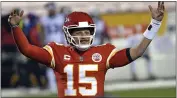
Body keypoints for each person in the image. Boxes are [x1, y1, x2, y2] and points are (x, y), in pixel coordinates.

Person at [8, 2, 164, 97]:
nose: (83, 36)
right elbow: (27, 49)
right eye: (78, 32)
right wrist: (15, 27)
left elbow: (137, 51)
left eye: (86, 32)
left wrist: (155, 24)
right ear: (68, 34)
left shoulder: (104, 52)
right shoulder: (57, 52)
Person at [40, 2, 66, 92]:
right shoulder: (45, 19)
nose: (50, 11)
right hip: (50, 45)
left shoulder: (60, 18)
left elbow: (64, 32)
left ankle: (60, 85)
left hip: (59, 44)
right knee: (51, 66)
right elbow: (42, 33)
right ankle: (53, 85)